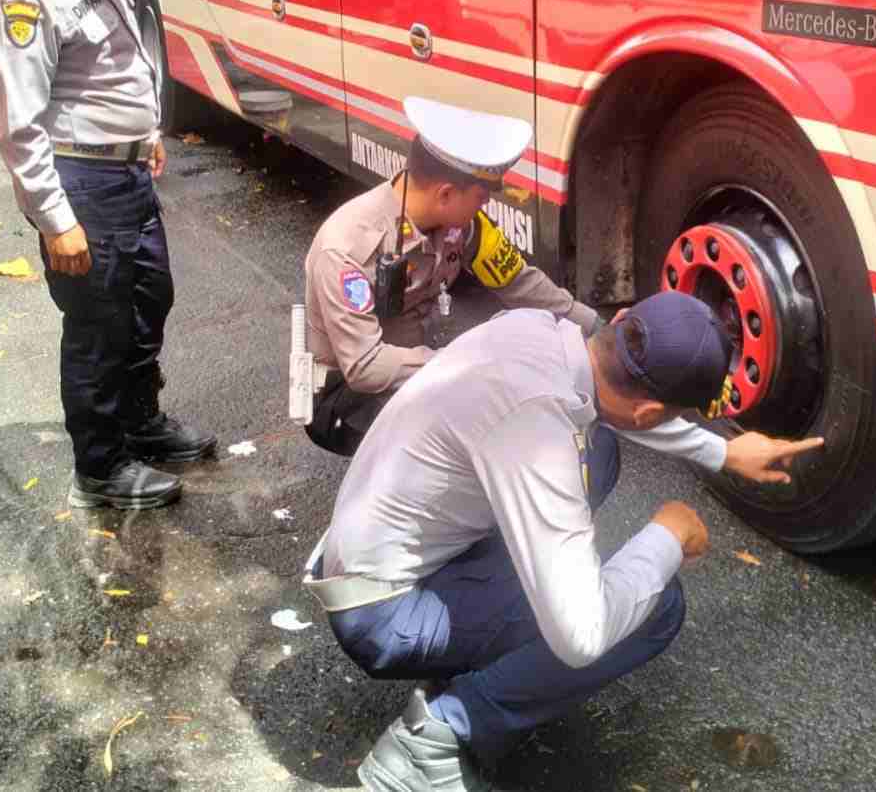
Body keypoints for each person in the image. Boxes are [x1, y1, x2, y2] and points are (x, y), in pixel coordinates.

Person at [303, 291, 826, 791]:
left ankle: (481, 659)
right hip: (385, 615)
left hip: (373, 560)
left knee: (599, 455)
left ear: (621, 319)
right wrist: (667, 535)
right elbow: (583, 636)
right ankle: (438, 737)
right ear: (650, 412)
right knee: (655, 603)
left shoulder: (534, 331)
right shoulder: (537, 427)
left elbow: (613, 405)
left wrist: (724, 453)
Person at [0, 0, 214, 510]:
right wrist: (56, 221)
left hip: (124, 172)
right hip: (80, 184)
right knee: (97, 327)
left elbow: (113, 58)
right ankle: (102, 466)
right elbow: (19, 123)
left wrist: (144, 132)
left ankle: (139, 422)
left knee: (147, 302)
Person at [302, 97, 601, 455]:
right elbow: (364, 367)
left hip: (414, 360)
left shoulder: (462, 225)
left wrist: (593, 326)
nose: (485, 205)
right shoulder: (347, 248)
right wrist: (465, 365)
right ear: (445, 194)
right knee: (484, 426)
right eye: (481, 197)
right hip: (343, 396)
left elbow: (517, 281)